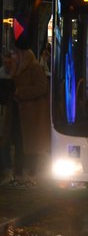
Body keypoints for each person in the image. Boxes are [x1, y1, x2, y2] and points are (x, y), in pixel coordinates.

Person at [11, 46, 50, 188]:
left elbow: (41, 87)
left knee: (30, 145)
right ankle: (19, 175)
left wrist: (21, 92)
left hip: (31, 114)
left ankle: (30, 176)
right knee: (19, 143)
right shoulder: (17, 69)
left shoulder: (34, 68)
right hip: (20, 113)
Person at [0, 51, 16, 185]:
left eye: (9, 62)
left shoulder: (16, 75)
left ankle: (9, 169)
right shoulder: (1, 74)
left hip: (11, 113)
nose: (7, 65)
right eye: (5, 62)